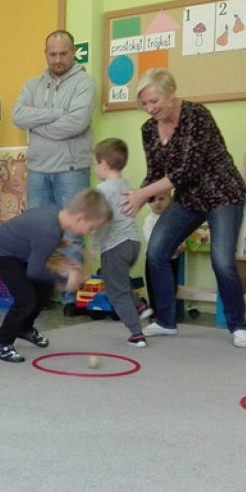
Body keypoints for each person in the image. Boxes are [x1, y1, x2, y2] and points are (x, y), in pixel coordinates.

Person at [119, 68, 246, 349]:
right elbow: (156, 172)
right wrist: (136, 200)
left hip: (222, 193)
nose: (149, 108)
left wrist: (143, 193)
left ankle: (238, 326)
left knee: (222, 261)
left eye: (154, 101)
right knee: (157, 250)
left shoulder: (197, 116)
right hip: (190, 199)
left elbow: (186, 171)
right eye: (144, 104)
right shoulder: (148, 129)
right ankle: (166, 321)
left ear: (171, 93)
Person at [11, 30, 95, 312]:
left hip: (71, 169)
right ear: (46, 54)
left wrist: (38, 121)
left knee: (72, 235)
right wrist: (57, 112)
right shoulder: (32, 84)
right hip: (37, 171)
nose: (58, 59)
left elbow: (77, 123)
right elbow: (17, 115)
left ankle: (71, 299)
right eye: (52, 54)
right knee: (39, 234)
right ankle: (41, 294)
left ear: (73, 53)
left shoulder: (84, 83)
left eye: (63, 53)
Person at [0, 190, 110, 363]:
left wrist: (60, 249)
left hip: (17, 250)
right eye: (91, 228)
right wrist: (66, 281)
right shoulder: (49, 231)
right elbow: (34, 272)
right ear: (80, 218)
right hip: (1, 253)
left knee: (43, 288)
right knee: (26, 298)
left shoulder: (57, 216)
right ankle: (2, 343)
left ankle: (23, 328)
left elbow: (34, 235)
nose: (89, 232)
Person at [92, 138, 149, 348]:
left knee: (116, 291)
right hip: (133, 243)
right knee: (120, 283)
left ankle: (136, 333)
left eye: (95, 164)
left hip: (115, 246)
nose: (95, 168)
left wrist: (94, 245)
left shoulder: (102, 189)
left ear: (104, 165)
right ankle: (139, 306)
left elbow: (101, 220)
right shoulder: (126, 184)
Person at [142, 191, 181, 323]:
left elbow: (181, 235)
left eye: (161, 199)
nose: (157, 203)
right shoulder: (150, 220)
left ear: (170, 199)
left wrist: (179, 246)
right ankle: (155, 312)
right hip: (153, 260)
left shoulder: (175, 217)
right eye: (152, 200)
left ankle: (169, 313)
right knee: (153, 287)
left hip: (172, 259)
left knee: (170, 286)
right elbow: (151, 241)